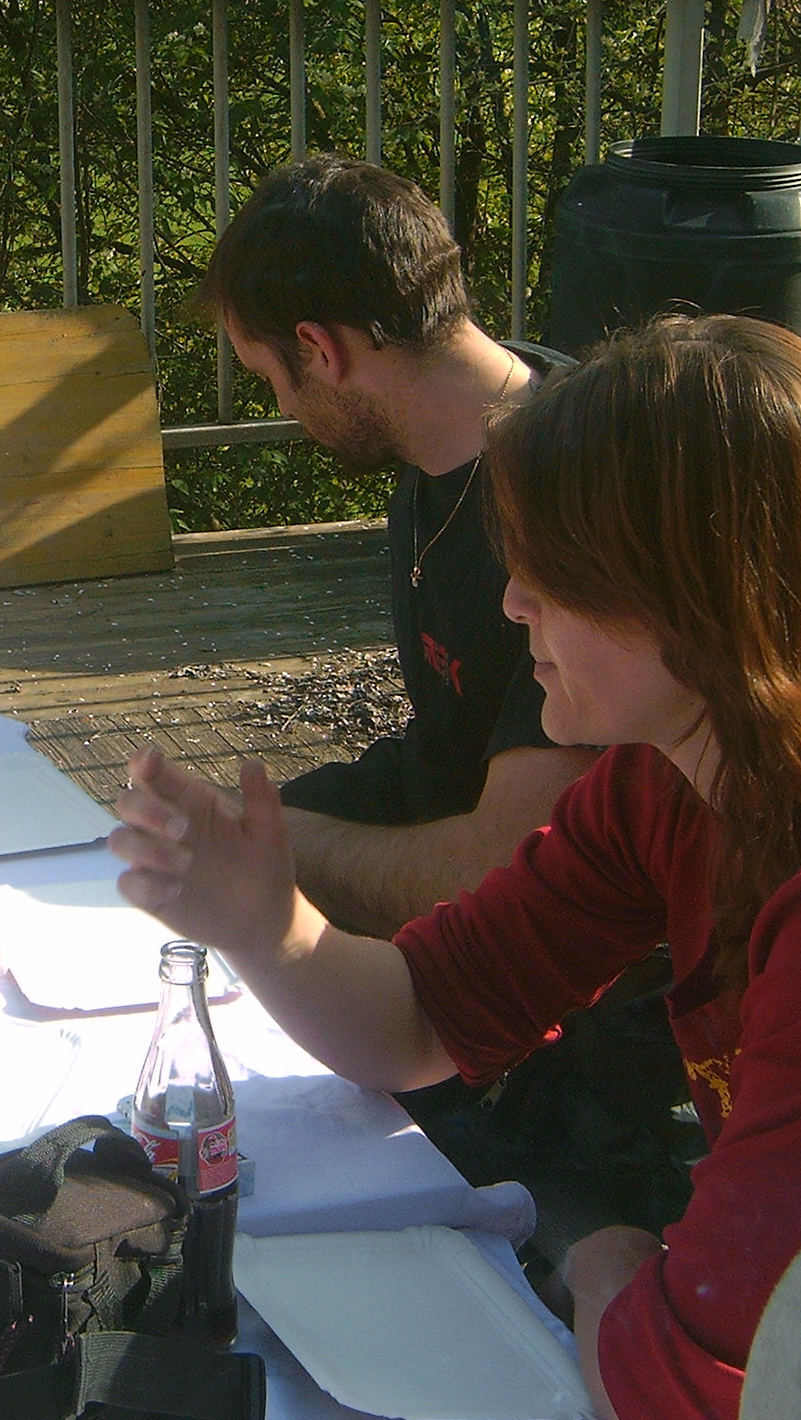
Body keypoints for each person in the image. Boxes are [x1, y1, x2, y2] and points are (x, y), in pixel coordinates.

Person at [109, 315, 801, 1420]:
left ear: (699, 600)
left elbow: (690, 1389)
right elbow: (420, 1020)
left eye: (550, 573)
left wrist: (605, 1260)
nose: (512, 604)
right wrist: (265, 925)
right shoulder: (674, 780)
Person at [200, 157, 684, 1250]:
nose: (283, 409)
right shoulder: (443, 459)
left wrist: (272, 851)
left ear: (320, 348)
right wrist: (251, 813)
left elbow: (498, 865)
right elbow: (446, 750)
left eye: (272, 378)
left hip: (604, 1011)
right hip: (499, 914)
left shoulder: (558, 491)